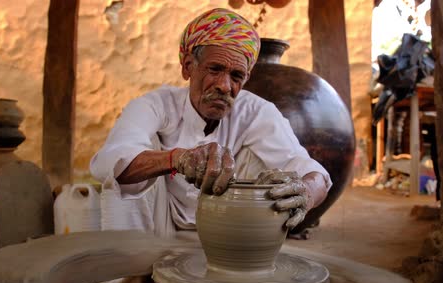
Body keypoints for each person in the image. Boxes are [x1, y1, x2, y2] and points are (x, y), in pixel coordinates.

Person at [90, 8, 332, 238]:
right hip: (158, 230)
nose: (224, 86)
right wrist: (176, 159)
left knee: (275, 170)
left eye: (236, 76)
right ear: (188, 67)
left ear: (246, 79)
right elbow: (106, 165)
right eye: (215, 69)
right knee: (135, 157)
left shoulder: (257, 112)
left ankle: (244, 265)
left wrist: (306, 192)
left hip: (226, 232)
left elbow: (313, 172)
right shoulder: (155, 105)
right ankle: (127, 273)